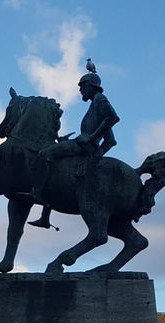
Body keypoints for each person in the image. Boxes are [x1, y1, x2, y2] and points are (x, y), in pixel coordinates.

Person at [28, 57, 120, 230]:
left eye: (82, 87)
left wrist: (91, 139)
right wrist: (96, 155)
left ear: (91, 86)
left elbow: (113, 118)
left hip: (82, 145)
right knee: (55, 164)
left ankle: (36, 193)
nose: (81, 90)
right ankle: (44, 217)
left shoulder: (100, 99)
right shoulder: (96, 104)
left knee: (45, 154)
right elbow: (111, 141)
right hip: (84, 146)